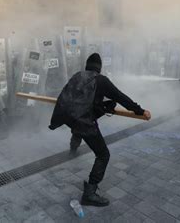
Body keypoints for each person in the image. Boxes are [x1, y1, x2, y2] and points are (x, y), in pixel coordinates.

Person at [50, 53, 151, 207]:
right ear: (99, 68)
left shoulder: (77, 76)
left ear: (87, 66)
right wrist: (140, 110)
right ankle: (89, 193)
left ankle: (73, 149)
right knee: (103, 155)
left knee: (77, 125)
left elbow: (66, 96)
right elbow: (120, 97)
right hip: (83, 120)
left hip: (69, 116)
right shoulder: (101, 80)